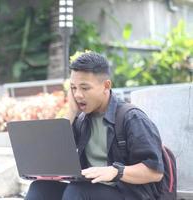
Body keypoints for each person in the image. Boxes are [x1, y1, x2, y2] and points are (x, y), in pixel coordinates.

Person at [25, 51, 164, 200]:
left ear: (106, 86)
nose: (78, 94)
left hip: (128, 194)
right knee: (40, 188)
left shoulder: (132, 118)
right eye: (73, 88)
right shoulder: (82, 120)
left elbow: (155, 172)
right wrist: (71, 111)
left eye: (84, 88)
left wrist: (116, 172)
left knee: (77, 191)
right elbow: (52, 154)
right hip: (90, 190)